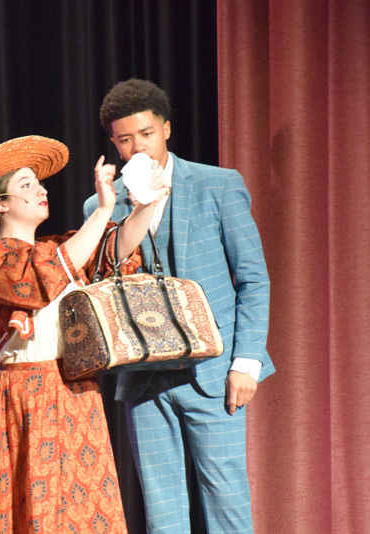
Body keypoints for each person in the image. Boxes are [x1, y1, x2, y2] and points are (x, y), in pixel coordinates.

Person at [0, 135, 167, 534]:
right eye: (26, 185)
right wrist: (105, 208)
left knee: (83, 511)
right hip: (28, 394)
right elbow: (48, 274)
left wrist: (150, 200)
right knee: (35, 506)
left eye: (38, 183)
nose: (40, 190)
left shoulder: (57, 246)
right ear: (0, 204)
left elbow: (117, 250)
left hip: (77, 393)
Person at [83, 78, 274, 533]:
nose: (137, 147)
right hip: (144, 377)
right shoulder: (102, 204)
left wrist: (245, 363)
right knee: (163, 511)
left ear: (166, 129)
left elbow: (253, 279)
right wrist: (119, 207)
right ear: (113, 142)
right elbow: (98, 282)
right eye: (125, 139)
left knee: (226, 500)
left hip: (213, 372)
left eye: (146, 134)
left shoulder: (217, 185)